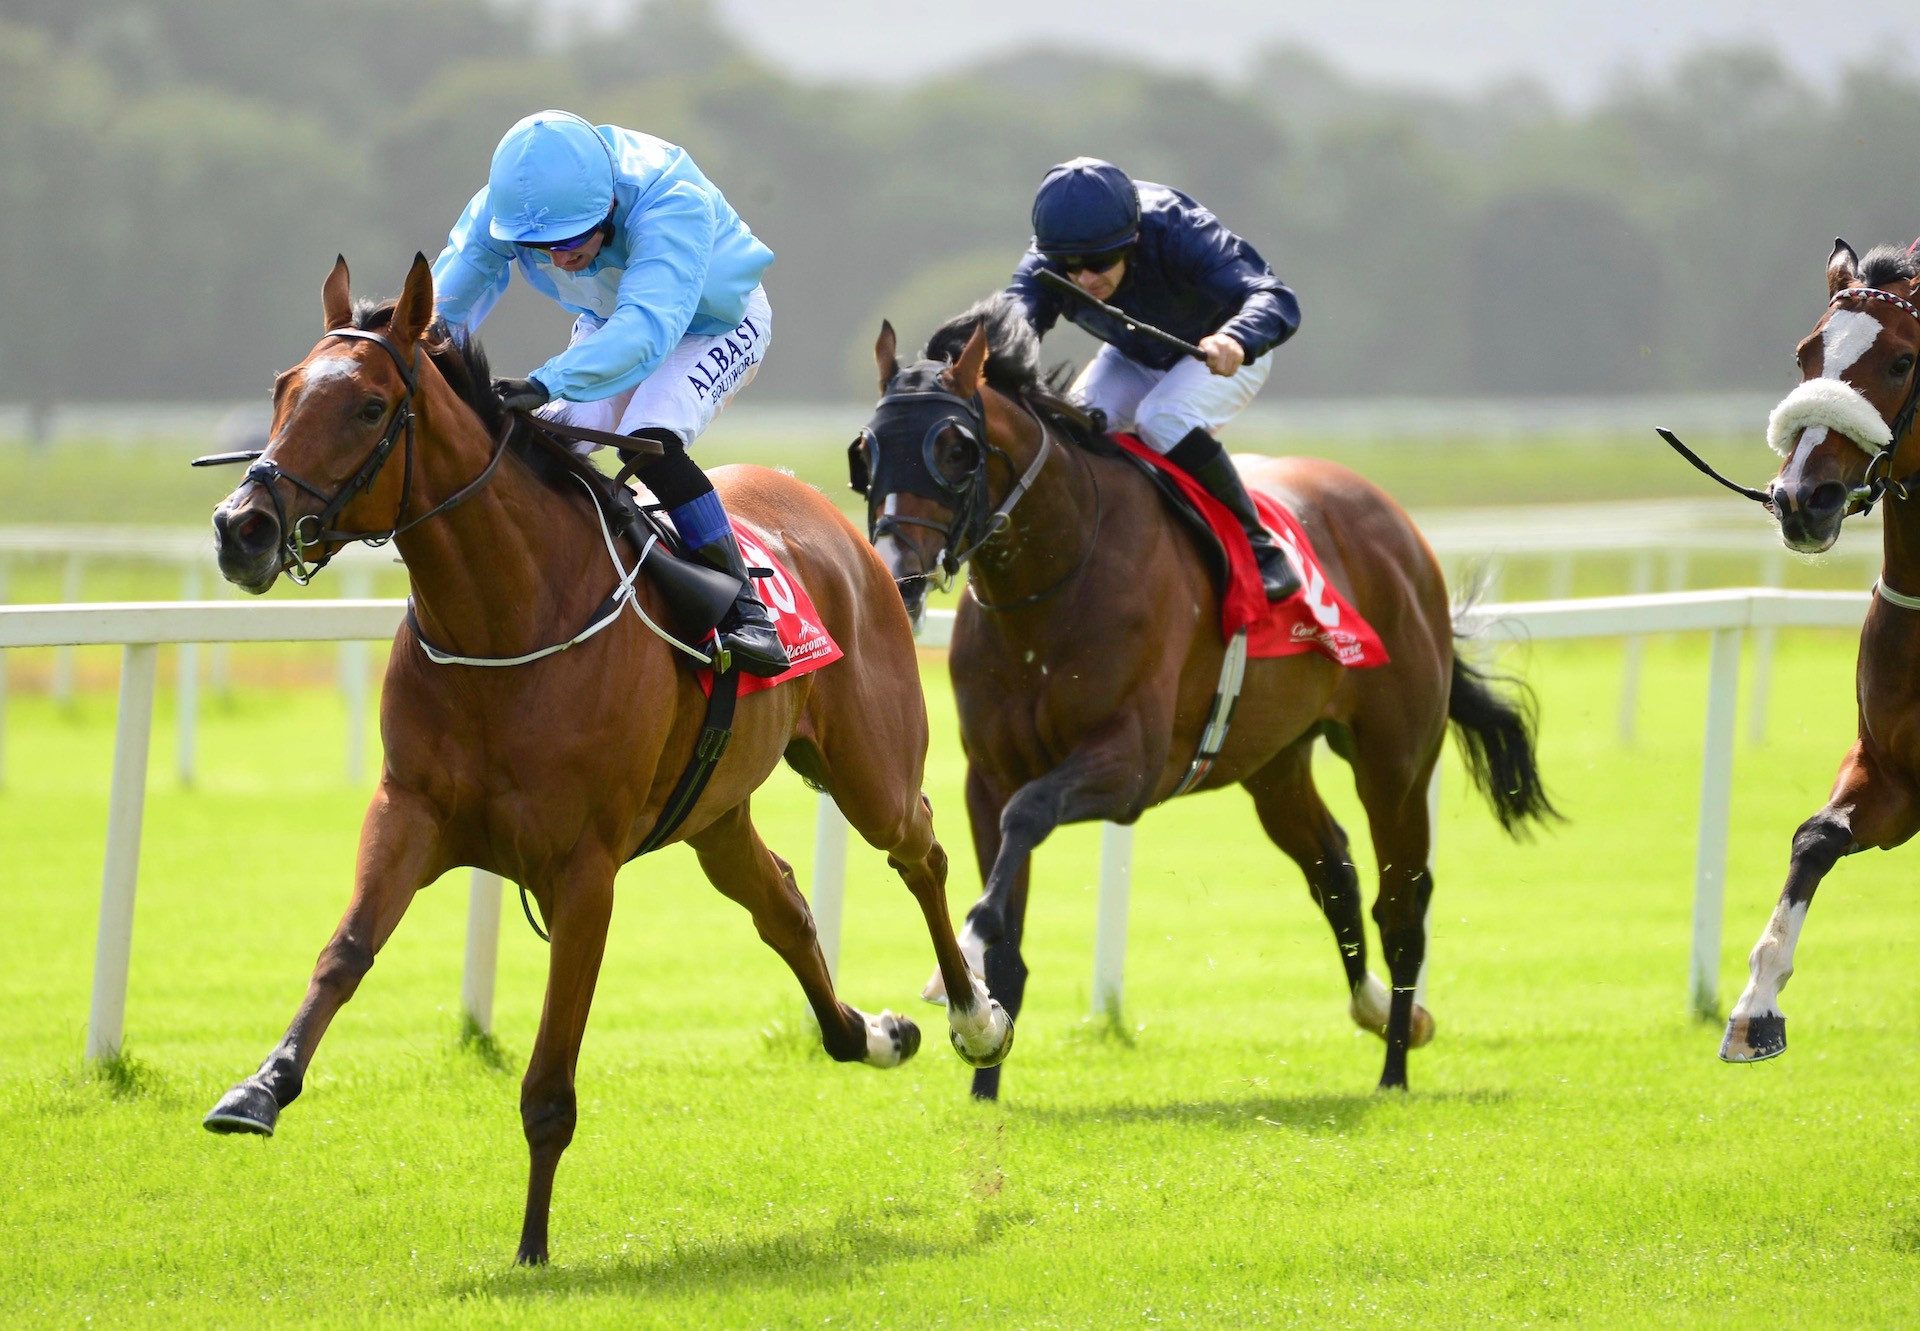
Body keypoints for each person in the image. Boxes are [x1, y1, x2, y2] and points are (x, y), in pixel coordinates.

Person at [432, 109, 789, 675]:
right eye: (537, 245)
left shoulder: (671, 197)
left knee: (645, 439)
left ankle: (747, 612)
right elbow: (441, 311)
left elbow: (648, 332)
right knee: (541, 445)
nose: (557, 259)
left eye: (570, 240)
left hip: (712, 323)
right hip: (609, 321)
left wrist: (547, 380)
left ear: (610, 207)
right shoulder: (510, 209)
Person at [1005, 157, 1303, 600]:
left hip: (1218, 354)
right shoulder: (1046, 263)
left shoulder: (1180, 229)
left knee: (1161, 417)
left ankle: (1258, 547)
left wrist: (1236, 337)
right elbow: (1009, 327)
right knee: (1074, 429)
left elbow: (1274, 296)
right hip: (1133, 354)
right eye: (1069, 265)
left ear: (1135, 238)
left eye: (1100, 262)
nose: (1084, 278)